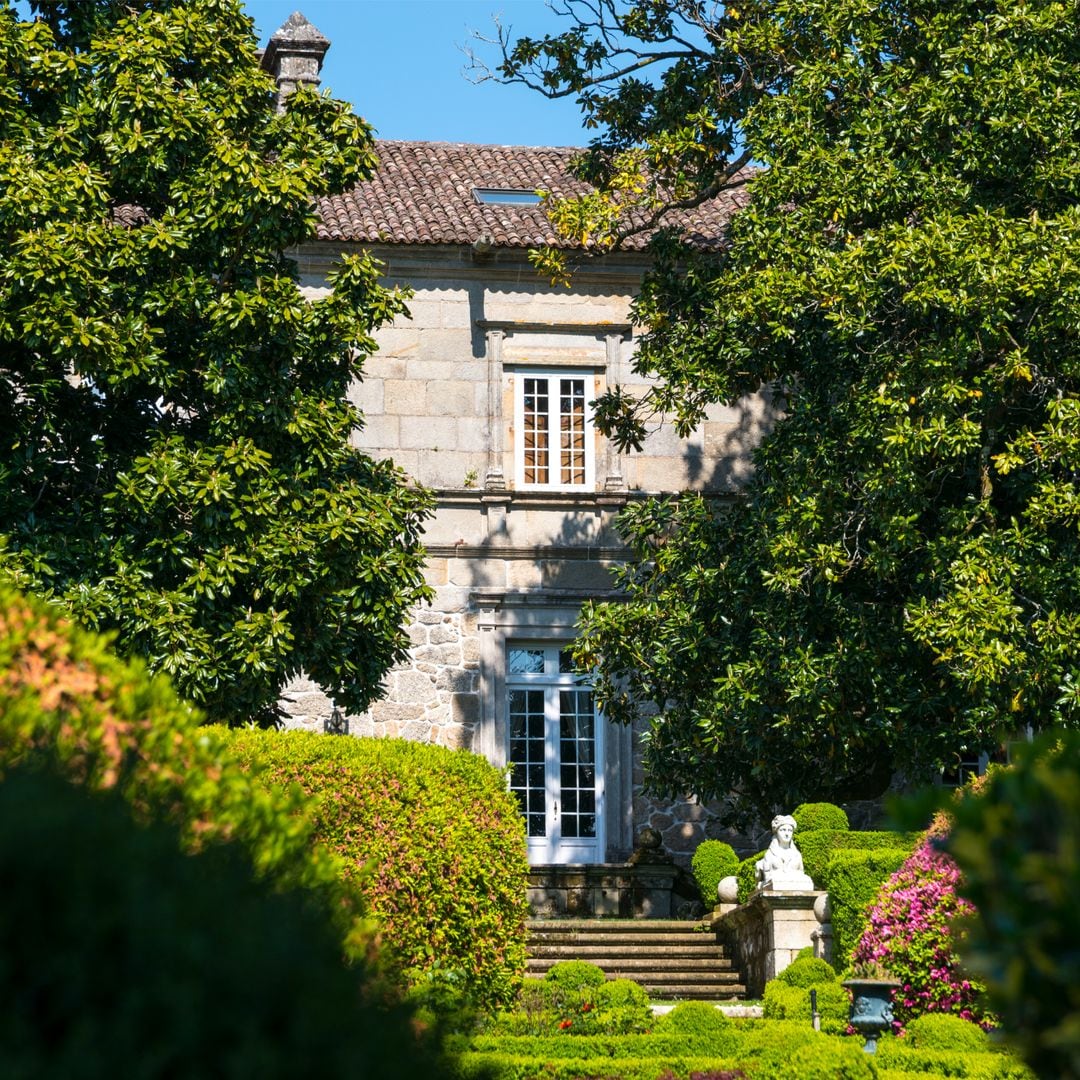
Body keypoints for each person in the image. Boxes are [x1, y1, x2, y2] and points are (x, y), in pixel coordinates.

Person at [755, 814, 804, 882]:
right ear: (776, 832)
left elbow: (801, 873)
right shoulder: (770, 855)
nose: (787, 833)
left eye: (790, 830)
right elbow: (768, 877)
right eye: (783, 830)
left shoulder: (797, 855)